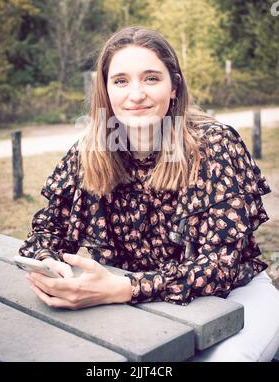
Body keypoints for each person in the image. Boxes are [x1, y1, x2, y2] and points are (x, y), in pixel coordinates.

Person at [19, 26, 279, 362]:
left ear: (174, 87)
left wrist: (127, 288)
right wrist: (53, 271)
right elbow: (46, 233)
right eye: (121, 80)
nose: (136, 94)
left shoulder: (213, 144)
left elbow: (219, 267)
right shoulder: (90, 152)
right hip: (135, 307)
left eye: (151, 78)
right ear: (106, 90)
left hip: (234, 298)